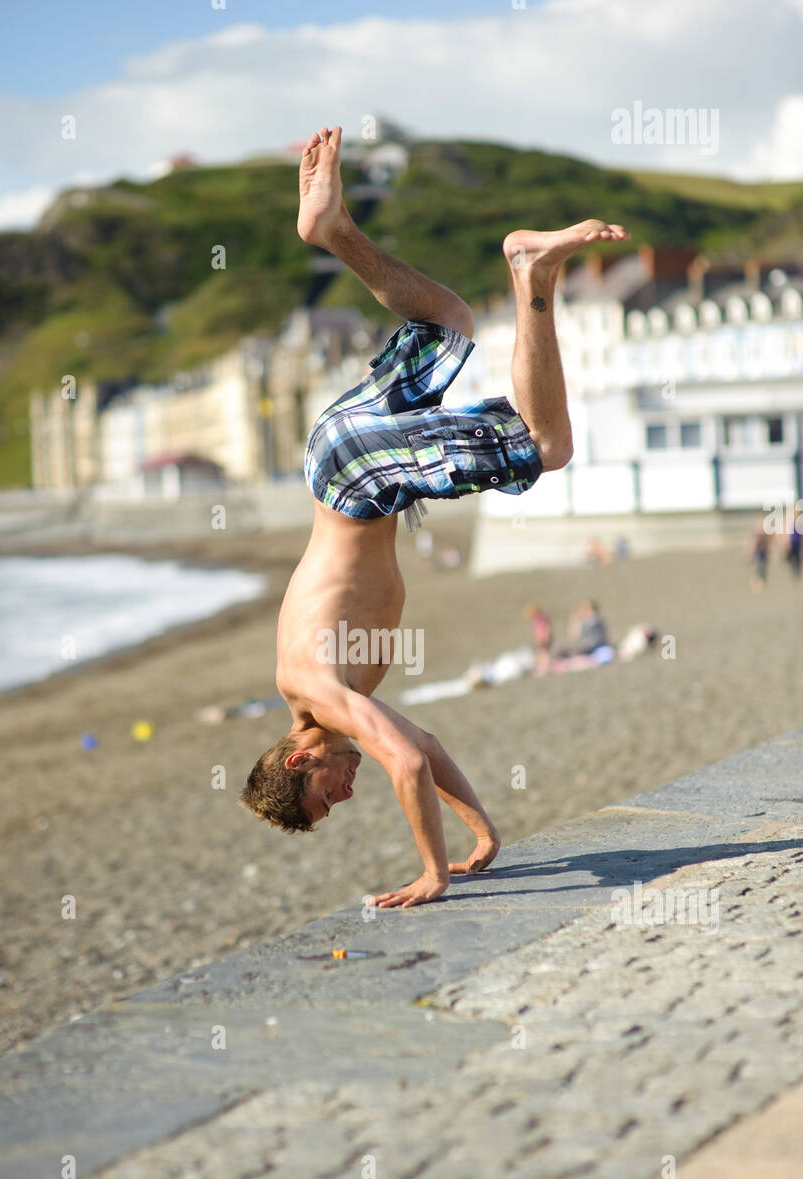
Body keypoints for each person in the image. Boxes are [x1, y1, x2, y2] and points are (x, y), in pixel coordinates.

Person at [240, 124, 629, 908]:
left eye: (327, 796)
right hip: (339, 460)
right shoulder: (326, 698)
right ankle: (334, 232)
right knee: (449, 321)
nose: (345, 796)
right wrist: (482, 829)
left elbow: (405, 767)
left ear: (296, 762)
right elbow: (427, 747)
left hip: (358, 481)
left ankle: (529, 273)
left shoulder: (315, 687)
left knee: (546, 447)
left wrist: (433, 872)